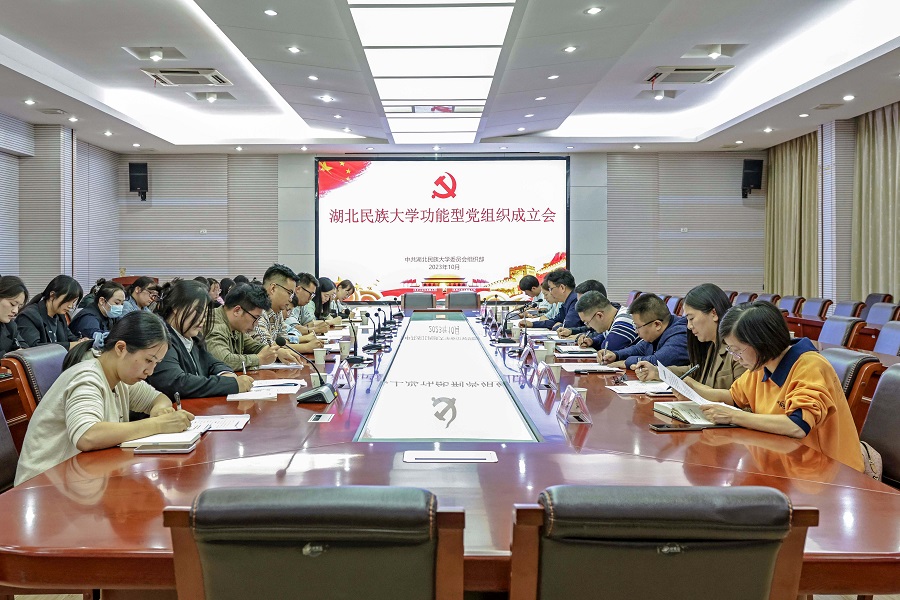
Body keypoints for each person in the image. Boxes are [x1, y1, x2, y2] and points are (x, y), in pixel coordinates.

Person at [679, 301, 864, 472]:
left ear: (761, 343)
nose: (735, 358)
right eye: (731, 350)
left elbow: (797, 426)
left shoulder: (810, 366)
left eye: (737, 350)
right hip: (786, 461)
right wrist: (691, 388)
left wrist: (734, 416)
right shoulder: (762, 365)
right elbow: (732, 397)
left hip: (828, 471)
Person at [14, 312, 194, 486]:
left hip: (80, 479)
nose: (150, 371)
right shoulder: (87, 376)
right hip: (44, 485)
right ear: (121, 348)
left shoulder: (120, 377)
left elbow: (158, 398)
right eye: (148, 360)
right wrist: (159, 424)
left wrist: (160, 411)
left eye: (156, 363)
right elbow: (87, 435)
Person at [147, 280, 254, 398]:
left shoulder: (193, 338)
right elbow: (176, 383)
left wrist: (226, 373)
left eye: (205, 313)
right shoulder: (161, 338)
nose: (202, 319)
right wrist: (229, 384)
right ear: (176, 307)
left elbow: (214, 363)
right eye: (198, 311)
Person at [634, 283, 746, 389]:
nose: (689, 326)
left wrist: (695, 387)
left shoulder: (738, 350)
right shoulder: (711, 346)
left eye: (691, 318)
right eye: (687, 320)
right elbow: (694, 370)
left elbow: (741, 397)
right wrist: (657, 372)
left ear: (714, 313)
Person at [599, 293, 689, 368]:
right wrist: (616, 355)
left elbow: (658, 361)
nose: (636, 331)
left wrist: (626, 362)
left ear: (657, 325)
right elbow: (639, 349)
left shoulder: (680, 334)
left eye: (638, 326)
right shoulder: (657, 333)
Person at [204, 283, 280, 371]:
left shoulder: (235, 325)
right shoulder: (214, 324)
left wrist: (277, 352)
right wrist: (259, 359)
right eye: (255, 318)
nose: (256, 324)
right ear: (237, 310)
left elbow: (254, 347)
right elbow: (223, 360)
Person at [252, 264, 321, 356]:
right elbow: (267, 348)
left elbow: (284, 341)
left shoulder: (278, 312)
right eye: (289, 293)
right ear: (273, 288)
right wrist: (306, 347)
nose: (290, 299)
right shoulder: (257, 311)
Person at [16, 275, 86, 349]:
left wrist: (81, 341)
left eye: (73, 302)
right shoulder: (28, 316)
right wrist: (70, 345)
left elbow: (70, 338)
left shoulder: (60, 316)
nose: (70, 306)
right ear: (52, 295)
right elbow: (33, 348)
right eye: (68, 300)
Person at [573, 291, 638, 353]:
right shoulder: (615, 316)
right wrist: (592, 341)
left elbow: (607, 349)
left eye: (587, 322)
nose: (588, 326)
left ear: (599, 316)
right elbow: (605, 336)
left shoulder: (623, 322)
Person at [0, 275, 29, 359]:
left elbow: (24, 347)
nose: (15, 311)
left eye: (19, 307)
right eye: (12, 304)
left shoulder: (10, 326)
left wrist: (20, 352)